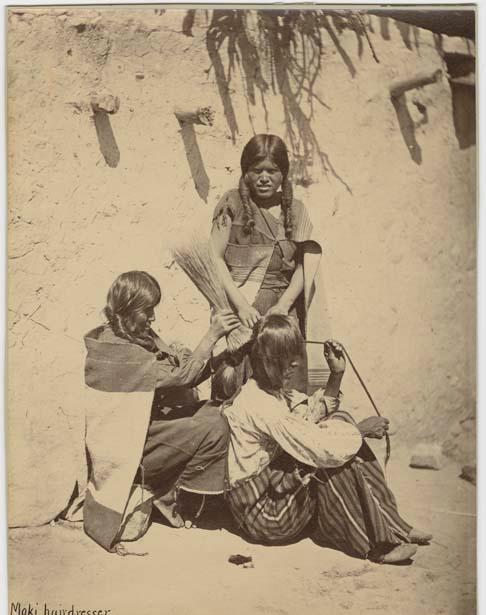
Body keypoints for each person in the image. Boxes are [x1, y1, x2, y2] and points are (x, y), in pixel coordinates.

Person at [222, 314, 432, 564]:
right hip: (263, 514)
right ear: (268, 362)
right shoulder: (260, 405)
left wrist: (336, 375)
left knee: (338, 424)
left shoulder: (270, 393)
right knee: (328, 459)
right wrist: (360, 431)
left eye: (295, 358)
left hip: (274, 491)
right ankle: (376, 544)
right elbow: (319, 446)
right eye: (289, 361)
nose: (296, 365)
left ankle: (394, 525)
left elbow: (308, 416)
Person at [83, 270, 240, 551]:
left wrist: (227, 355)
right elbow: (181, 377)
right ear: (128, 309)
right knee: (213, 425)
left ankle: (174, 495)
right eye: (148, 310)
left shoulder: (136, 335)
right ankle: (180, 499)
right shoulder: (116, 350)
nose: (153, 317)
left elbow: (182, 371)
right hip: (132, 446)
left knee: (217, 413)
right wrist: (213, 334)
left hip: (149, 427)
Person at [211, 133, 322, 394]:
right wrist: (240, 306)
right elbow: (213, 257)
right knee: (238, 384)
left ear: (283, 174)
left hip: (282, 312)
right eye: (256, 170)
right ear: (245, 171)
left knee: (286, 383)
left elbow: (306, 264)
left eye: (272, 171)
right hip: (240, 308)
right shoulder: (232, 203)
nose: (264, 177)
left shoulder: (296, 210)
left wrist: (283, 306)